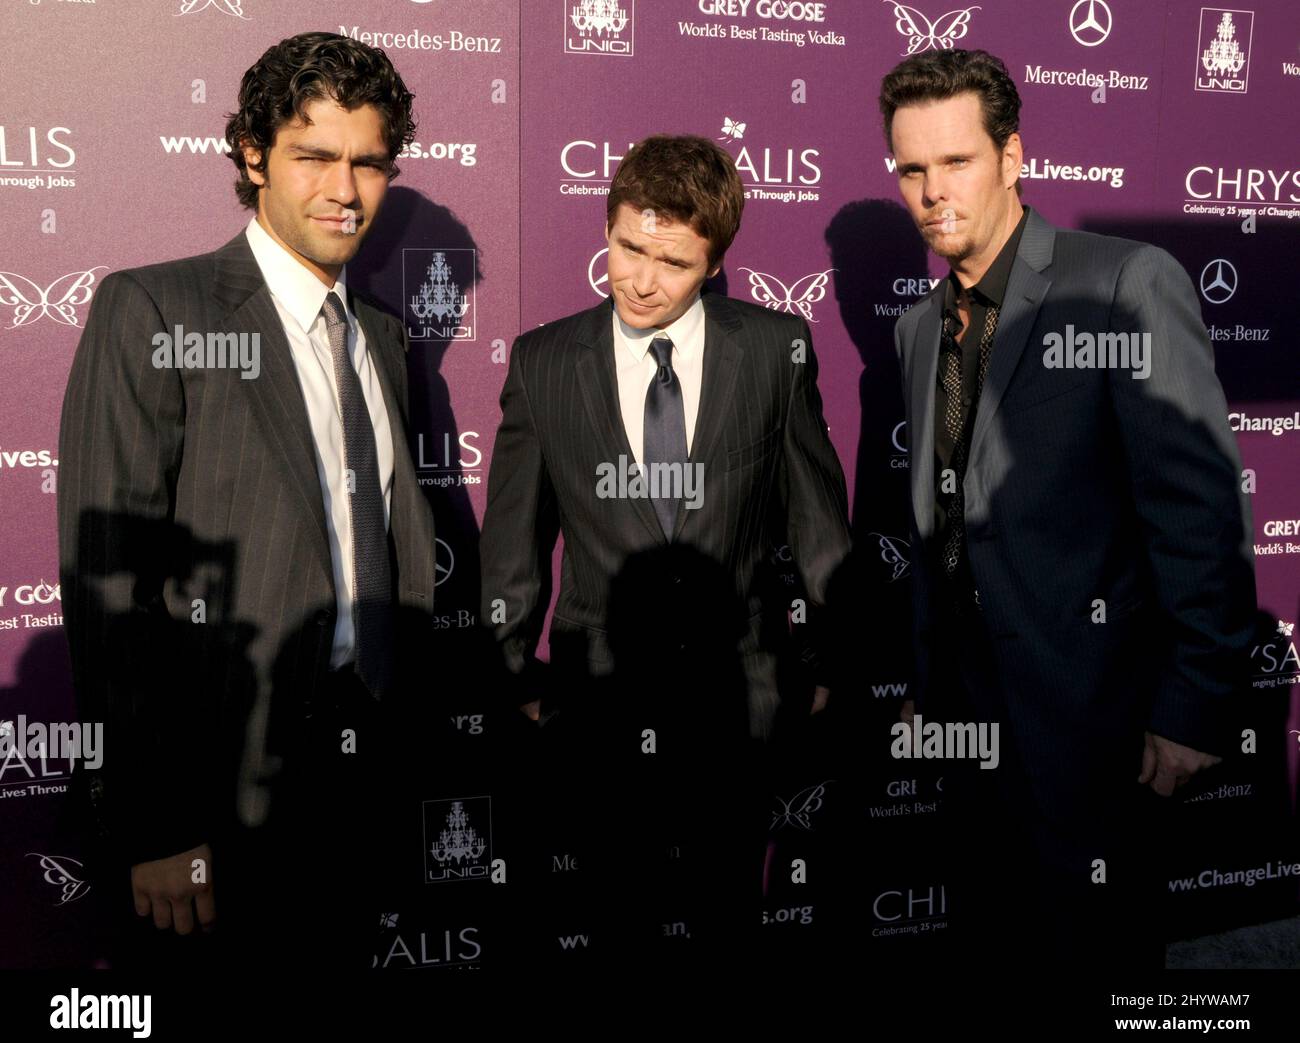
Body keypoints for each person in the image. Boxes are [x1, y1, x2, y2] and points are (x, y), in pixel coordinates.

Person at [57, 31, 436, 969]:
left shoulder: (380, 338)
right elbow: (112, 592)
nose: (344, 190)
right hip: (217, 798)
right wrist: (154, 823)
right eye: (314, 156)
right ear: (253, 154)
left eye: (368, 163)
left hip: (367, 772)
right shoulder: (157, 311)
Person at [881, 49, 1255, 967]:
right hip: (968, 725)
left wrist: (1193, 704)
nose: (932, 191)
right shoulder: (920, 326)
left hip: (1097, 723)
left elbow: (1197, 513)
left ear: (1012, 156)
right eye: (911, 169)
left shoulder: (1123, 283)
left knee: (1098, 958)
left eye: (956, 161)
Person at [479, 135, 852, 964]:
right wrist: (516, 680)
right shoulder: (544, 363)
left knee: (729, 921)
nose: (641, 280)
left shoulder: (773, 350)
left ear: (714, 261)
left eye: (673, 263)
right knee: (617, 927)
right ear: (608, 225)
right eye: (628, 247)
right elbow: (512, 544)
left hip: (740, 700)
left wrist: (824, 666)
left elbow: (820, 528)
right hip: (601, 705)